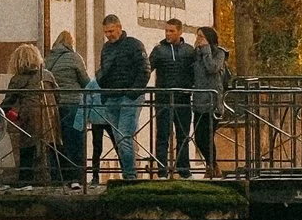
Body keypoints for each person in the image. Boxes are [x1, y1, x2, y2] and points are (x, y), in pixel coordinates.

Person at [93, 12, 148, 181]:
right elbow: (103, 70)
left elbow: (144, 70)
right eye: (106, 32)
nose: (109, 35)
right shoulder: (107, 48)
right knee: (119, 138)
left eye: (111, 31)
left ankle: (130, 175)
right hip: (111, 97)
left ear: (119, 27)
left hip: (128, 97)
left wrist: (132, 93)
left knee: (124, 136)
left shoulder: (134, 45)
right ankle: (128, 174)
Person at [1, 45, 59, 184]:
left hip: (30, 115)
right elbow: (58, 94)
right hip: (50, 114)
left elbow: (9, 101)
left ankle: (25, 180)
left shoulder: (18, 79)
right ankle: (54, 179)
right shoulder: (47, 74)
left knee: (27, 147)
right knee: (53, 148)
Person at [149, 15, 197, 174]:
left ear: (180, 32)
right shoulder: (158, 50)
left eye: (171, 31)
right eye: (166, 31)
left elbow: (196, 72)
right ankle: (161, 171)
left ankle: (184, 170)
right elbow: (147, 69)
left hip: (183, 97)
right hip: (163, 98)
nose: (168, 34)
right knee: (162, 136)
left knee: (183, 136)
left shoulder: (189, 51)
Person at [45, 28, 91, 183]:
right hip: (73, 104)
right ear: (70, 42)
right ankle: (76, 178)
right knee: (75, 141)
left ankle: (57, 178)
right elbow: (85, 82)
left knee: (56, 142)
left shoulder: (47, 59)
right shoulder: (74, 58)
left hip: (53, 106)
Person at [191, 23, 231, 174]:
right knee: (198, 136)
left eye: (201, 37)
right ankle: (212, 164)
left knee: (207, 135)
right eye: (198, 36)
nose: (199, 40)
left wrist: (206, 51)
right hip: (198, 100)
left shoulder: (218, 53)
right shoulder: (196, 54)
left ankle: (212, 166)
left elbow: (212, 68)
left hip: (213, 101)